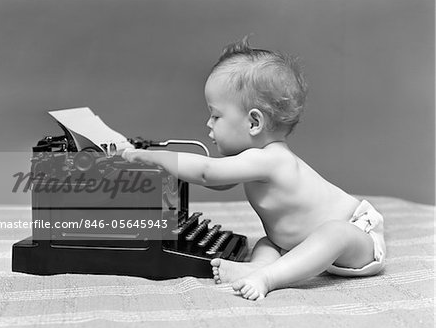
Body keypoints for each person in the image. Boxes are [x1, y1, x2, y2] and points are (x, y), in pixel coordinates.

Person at [122, 36, 386, 300]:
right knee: (266, 242)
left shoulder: (271, 160)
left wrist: (152, 157)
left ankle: (267, 277)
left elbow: (207, 172)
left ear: (253, 122)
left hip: (356, 235)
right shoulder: (253, 160)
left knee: (333, 232)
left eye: (216, 115)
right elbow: (218, 181)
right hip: (301, 246)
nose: (208, 124)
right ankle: (259, 266)